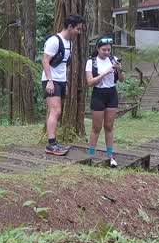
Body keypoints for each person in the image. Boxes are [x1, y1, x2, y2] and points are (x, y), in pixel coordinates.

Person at [42, 14, 86, 155]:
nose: (79, 32)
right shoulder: (54, 41)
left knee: (57, 111)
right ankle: (51, 145)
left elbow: (62, 65)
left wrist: (64, 82)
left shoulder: (70, 43)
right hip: (51, 80)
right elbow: (45, 61)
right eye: (77, 29)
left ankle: (54, 142)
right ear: (69, 27)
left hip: (60, 81)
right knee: (56, 111)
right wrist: (49, 81)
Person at [85, 36, 123, 167]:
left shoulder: (114, 60)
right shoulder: (91, 62)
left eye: (109, 50)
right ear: (98, 49)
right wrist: (105, 73)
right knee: (96, 127)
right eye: (104, 50)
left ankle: (110, 155)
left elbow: (121, 79)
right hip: (98, 94)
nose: (107, 52)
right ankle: (91, 154)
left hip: (112, 93)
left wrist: (119, 69)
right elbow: (90, 82)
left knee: (109, 126)